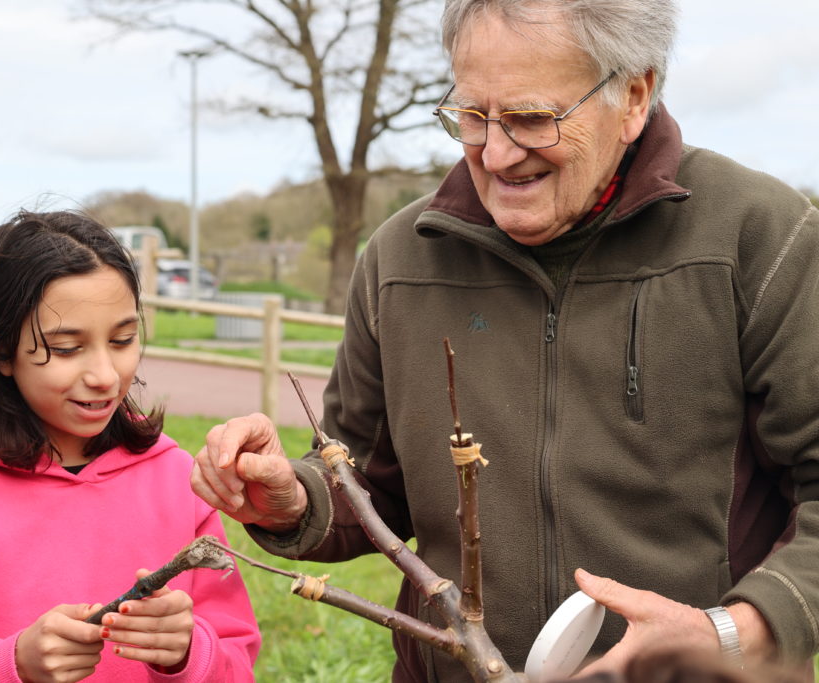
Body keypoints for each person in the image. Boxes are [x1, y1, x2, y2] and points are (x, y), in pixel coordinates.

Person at [191, 0, 819, 681]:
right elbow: (363, 478)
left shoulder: (760, 236)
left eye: (530, 118)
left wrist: (726, 634)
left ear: (633, 94)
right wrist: (297, 497)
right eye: (471, 115)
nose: (495, 153)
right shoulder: (402, 259)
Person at [0, 210, 260, 682]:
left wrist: (188, 653)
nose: (105, 375)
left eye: (122, 339)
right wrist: (10, 668)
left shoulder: (179, 483)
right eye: (67, 348)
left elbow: (237, 664)